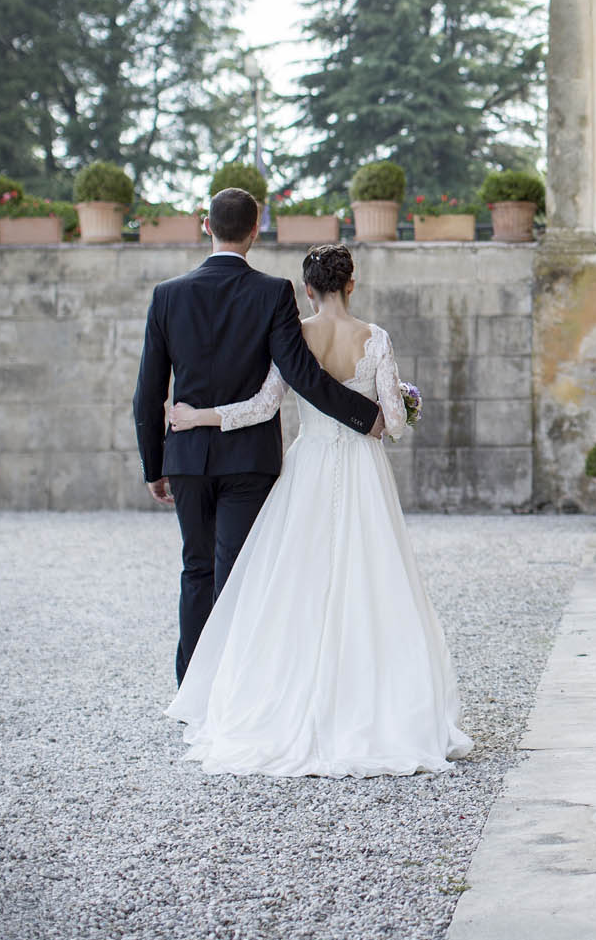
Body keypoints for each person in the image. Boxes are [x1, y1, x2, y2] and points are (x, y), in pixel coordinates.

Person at [163, 243, 471, 776]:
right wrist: (399, 398)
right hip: (361, 472)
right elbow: (392, 424)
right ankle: (374, 705)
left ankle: (284, 700)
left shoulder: (295, 336)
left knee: (292, 584)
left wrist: (200, 418)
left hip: (307, 466)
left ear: (307, 289)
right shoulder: (375, 339)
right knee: (372, 581)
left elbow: (262, 407)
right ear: (352, 284)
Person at [133, 189, 385, 685]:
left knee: (196, 570)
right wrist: (366, 414)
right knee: (238, 572)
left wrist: (153, 464)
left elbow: (148, 392)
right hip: (249, 458)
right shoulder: (273, 291)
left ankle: (192, 686)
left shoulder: (167, 294)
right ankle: (233, 686)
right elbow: (301, 374)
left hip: (185, 457)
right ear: (255, 230)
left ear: (207, 225)